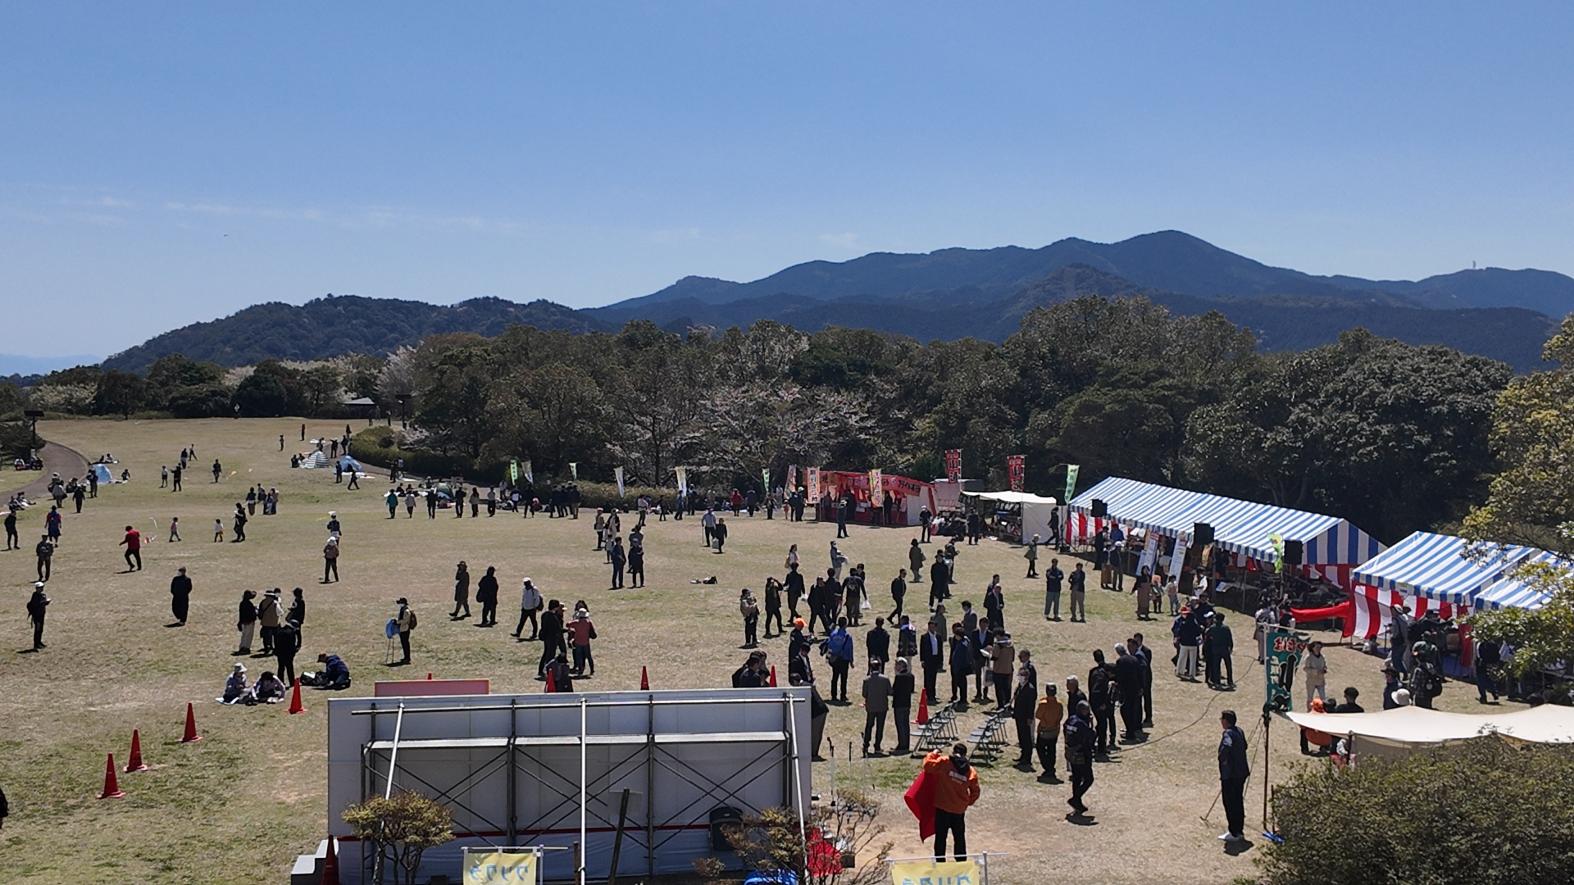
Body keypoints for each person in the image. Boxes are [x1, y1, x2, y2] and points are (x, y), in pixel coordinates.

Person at [922, 743, 981, 862]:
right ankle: (961, 863)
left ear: (954, 752)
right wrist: (967, 802)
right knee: (959, 838)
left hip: (942, 807)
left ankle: (940, 863)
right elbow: (975, 791)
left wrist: (933, 753)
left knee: (941, 837)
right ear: (965, 754)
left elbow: (928, 766)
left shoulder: (945, 762)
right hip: (959, 810)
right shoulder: (970, 770)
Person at [1218, 709, 1251, 843]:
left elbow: (1226, 746)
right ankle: (1239, 829)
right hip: (1241, 772)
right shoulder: (1239, 731)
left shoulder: (1228, 733)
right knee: (1238, 801)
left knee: (1230, 802)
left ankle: (1233, 831)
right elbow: (1245, 746)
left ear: (1226, 721)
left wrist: (1223, 759)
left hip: (1231, 774)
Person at [1064, 700, 1096, 814]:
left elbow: (1065, 730)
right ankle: (1075, 798)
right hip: (1082, 754)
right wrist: (1091, 723)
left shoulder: (1070, 720)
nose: (1088, 713)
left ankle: (1077, 802)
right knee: (1088, 779)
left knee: (1076, 778)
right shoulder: (1081, 724)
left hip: (1071, 753)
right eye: (1086, 711)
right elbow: (1091, 735)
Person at [1011, 649, 1038, 766]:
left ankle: (1027, 758)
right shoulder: (1021, 687)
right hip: (1019, 715)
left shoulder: (1030, 689)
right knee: (1021, 737)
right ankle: (1023, 756)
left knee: (1026, 738)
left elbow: (1030, 705)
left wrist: (1029, 717)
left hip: (1025, 716)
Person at [1087, 649, 1116, 756]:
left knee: (1101, 725)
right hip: (1099, 704)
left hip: (1094, 703)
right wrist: (1102, 703)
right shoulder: (1102, 676)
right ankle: (1100, 747)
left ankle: (1097, 745)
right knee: (1102, 725)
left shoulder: (1093, 672)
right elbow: (1096, 690)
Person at [1114, 643, 1145, 742]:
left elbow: (1119, 676)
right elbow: (1140, 674)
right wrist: (1141, 687)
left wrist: (1117, 685)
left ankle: (1130, 733)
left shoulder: (1120, 661)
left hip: (1125, 690)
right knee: (1132, 710)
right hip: (1135, 689)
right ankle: (1130, 731)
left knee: (1125, 711)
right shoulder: (1134, 659)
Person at [1034, 683, 1063, 781]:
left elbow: (1038, 715)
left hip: (1043, 730)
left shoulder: (1043, 703)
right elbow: (1060, 716)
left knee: (1040, 749)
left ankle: (1048, 767)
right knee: (1052, 750)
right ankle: (1051, 767)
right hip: (1054, 731)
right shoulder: (1059, 704)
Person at [862, 662, 892, 756]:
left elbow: (864, 694)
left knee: (869, 726)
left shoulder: (867, 680)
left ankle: (866, 745)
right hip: (882, 706)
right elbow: (890, 692)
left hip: (871, 707)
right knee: (880, 727)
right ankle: (877, 746)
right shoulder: (885, 679)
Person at [825, 618, 854, 701]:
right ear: (845, 624)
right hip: (844, 659)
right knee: (844, 678)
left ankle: (833, 695)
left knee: (835, 677)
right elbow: (849, 649)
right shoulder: (847, 636)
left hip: (835, 658)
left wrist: (829, 657)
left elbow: (829, 646)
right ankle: (843, 695)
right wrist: (851, 661)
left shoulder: (833, 634)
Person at [891, 658, 915, 755]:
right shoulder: (911, 676)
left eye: (897, 665)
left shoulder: (899, 677)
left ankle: (902, 744)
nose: (895, 667)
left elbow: (894, 690)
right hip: (907, 703)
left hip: (899, 703)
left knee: (900, 724)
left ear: (901, 666)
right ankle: (906, 744)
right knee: (905, 724)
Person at [537, 600, 566, 679]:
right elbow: (558, 629)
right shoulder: (553, 617)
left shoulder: (544, 615)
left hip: (546, 637)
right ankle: (549, 671)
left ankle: (540, 670)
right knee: (550, 656)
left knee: (545, 653)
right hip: (552, 638)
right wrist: (568, 630)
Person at [919, 620, 945, 706]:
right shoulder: (924, 637)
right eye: (930, 626)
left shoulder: (938, 637)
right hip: (928, 660)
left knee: (933, 678)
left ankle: (932, 695)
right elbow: (922, 649)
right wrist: (922, 660)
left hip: (935, 660)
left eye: (933, 626)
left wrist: (941, 660)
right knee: (927, 678)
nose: (932, 628)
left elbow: (940, 650)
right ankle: (927, 695)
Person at [567, 606, 598, 676]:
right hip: (586, 642)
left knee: (579, 657)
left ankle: (580, 670)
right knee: (589, 656)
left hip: (578, 642)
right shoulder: (588, 622)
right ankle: (592, 669)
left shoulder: (576, 623)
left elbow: (568, 624)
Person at [274, 619, 300, 687]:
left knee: (281, 668)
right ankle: (292, 682)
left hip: (280, 653)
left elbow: (276, 642)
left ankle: (280, 682)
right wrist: (294, 652)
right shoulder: (291, 632)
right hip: (288, 653)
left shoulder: (280, 630)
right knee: (290, 668)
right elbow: (292, 644)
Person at [257, 588, 283, 654]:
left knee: (266, 637)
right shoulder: (275, 603)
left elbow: (260, 613)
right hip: (274, 623)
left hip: (265, 623)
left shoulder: (262, 602)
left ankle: (267, 648)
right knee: (275, 637)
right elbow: (280, 612)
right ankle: (276, 649)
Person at [26, 582, 49, 651]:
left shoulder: (42, 595)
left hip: (41, 614)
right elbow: (37, 604)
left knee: (40, 629)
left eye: (42, 587)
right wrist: (45, 602)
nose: (41, 589)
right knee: (37, 630)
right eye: (39, 588)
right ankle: (36, 644)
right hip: (37, 616)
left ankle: (39, 642)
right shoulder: (35, 596)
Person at [236, 590, 258, 655]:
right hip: (249, 622)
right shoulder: (249, 604)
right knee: (248, 636)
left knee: (244, 635)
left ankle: (242, 646)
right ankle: (246, 648)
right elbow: (252, 613)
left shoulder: (242, 603)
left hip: (243, 621)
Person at [394, 598, 415, 665]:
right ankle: (405, 657)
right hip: (403, 629)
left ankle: (407, 658)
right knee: (404, 644)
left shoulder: (406, 611)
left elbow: (405, 620)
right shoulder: (403, 610)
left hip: (405, 629)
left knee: (405, 644)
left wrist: (397, 622)